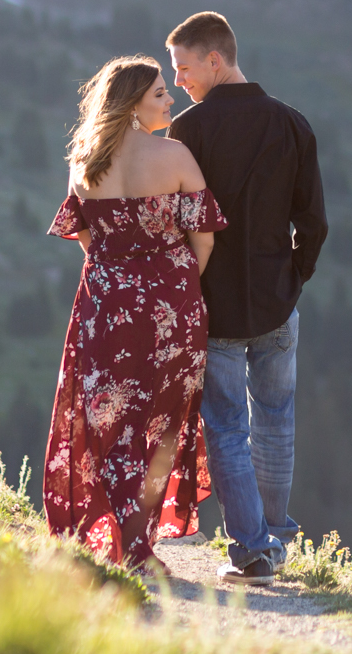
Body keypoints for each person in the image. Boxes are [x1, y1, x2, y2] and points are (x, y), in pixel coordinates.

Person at [42, 54, 227, 571]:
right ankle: (138, 546)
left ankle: (118, 538)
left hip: (105, 301)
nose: (170, 100)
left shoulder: (83, 162)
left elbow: (85, 240)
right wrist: (176, 277)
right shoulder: (174, 156)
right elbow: (205, 238)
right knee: (161, 420)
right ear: (131, 104)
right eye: (160, 94)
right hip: (171, 305)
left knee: (109, 417)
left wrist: (118, 274)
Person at [164, 11, 328, 583]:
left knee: (228, 425)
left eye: (183, 68)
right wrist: (292, 278)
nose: (178, 81)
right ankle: (276, 538)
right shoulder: (292, 124)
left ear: (215, 59)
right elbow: (314, 222)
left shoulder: (187, 133)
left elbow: (177, 226)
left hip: (215, 306)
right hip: (277, 302)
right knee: (277, 418)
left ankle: (255, 553)